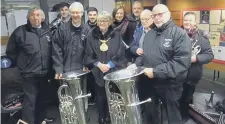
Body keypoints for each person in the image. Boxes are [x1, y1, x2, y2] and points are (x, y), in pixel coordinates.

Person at [128, 4, 192, 124]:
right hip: (149, 82)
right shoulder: (150, 34)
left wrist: (155, 71)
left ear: (168, 14)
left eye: (160, 14)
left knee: (172, 115)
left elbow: (181, 62)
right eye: (154, 15)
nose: (157, 18)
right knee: (151, 113)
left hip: (170, 84)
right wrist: (136, 65)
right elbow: (145, 55)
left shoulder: (179, 34)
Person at [6, 7, 54, 124]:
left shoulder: (48, 32)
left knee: (42, 99)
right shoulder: (20, 32)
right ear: (28, 17)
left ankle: (41, 120)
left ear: (42, 17)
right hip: (28, 74)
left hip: (44, 73)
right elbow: (11, 52)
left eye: (38, 15)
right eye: (33, 15)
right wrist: (22, 65)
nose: (36, 17)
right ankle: (28, 121)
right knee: (30, 100)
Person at [84, 11, 126, 124]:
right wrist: (98, 64)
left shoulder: (116, 35)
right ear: (97, 22)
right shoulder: (91, 35)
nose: (102, 23)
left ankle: (113, 119)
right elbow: (88, 54)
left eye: (105, 20)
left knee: (113, 98)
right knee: (101, 98)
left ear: (110, 22)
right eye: (100, 20)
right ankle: (102, 119)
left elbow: (120, 53)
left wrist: (109, 65)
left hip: (113, 72)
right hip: (98, 73)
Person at [180, 12, 214, 121]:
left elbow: (209, 55)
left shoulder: (202, 37)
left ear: (195, 22)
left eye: (190, 20)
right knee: (178, 96)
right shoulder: (176, 33)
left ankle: (185, 117)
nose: (187, 22)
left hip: (192, 74)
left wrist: (196, 58)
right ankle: (181, 114)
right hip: (177, 73)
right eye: (185, 20)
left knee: (187, 96)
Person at [52, 2, 89, 78]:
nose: (75, 15)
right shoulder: (62, 29)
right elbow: (56, 50)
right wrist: (58, 69)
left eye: (77, 12)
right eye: (73, 13)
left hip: (82, 71)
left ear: (82, 13)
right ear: (70, 13)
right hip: (65, 71)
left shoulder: (87, 30)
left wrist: (87, 64)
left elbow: (89, 51)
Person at [84, 7, 99, 105]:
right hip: (89, 58)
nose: (92, 17)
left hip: (100, 57)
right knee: (90, 80)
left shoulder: (100, 26)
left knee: (99, 80)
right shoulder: (84, 27)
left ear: (97, 15)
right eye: (90, 15)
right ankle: (93, 97)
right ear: (87, 15)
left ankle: (99, 98)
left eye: (94, 14)